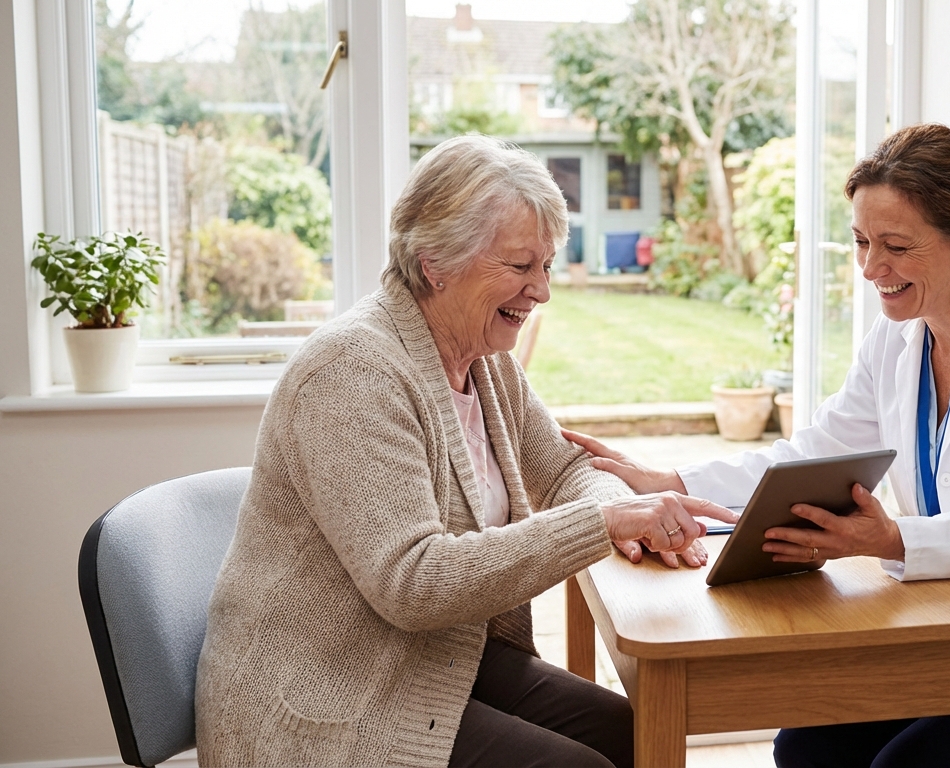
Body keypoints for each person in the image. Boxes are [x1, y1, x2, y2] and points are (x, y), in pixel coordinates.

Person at [568, 124, 950, 768]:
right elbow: (811, 456)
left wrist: (892, 540)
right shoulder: (898, 340)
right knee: (806, 748)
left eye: (896, 246)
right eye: (863, 242)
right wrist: (672, 481)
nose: (872, 268)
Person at [194, 135, 736, 768]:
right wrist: (605, 521)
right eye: (518, 266)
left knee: (637, 733)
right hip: (324, 698)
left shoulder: (484, 361)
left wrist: (625, 516)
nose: (542, 290)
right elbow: (413, 582)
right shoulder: (352, 372)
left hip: (437, 660)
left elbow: (567, 471)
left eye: (547, 265)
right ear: (435, 263)